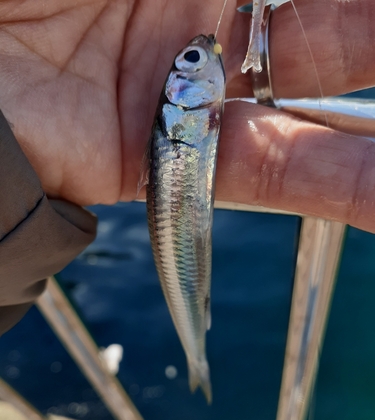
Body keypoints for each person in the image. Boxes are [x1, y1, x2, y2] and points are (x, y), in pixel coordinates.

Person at [0, 0, 374, 334]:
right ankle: (197, 357)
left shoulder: (186, 120)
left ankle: (196, 354)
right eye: (191, 62)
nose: (203, 57)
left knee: (190, 290)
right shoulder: (180, 120)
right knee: (189, 292)